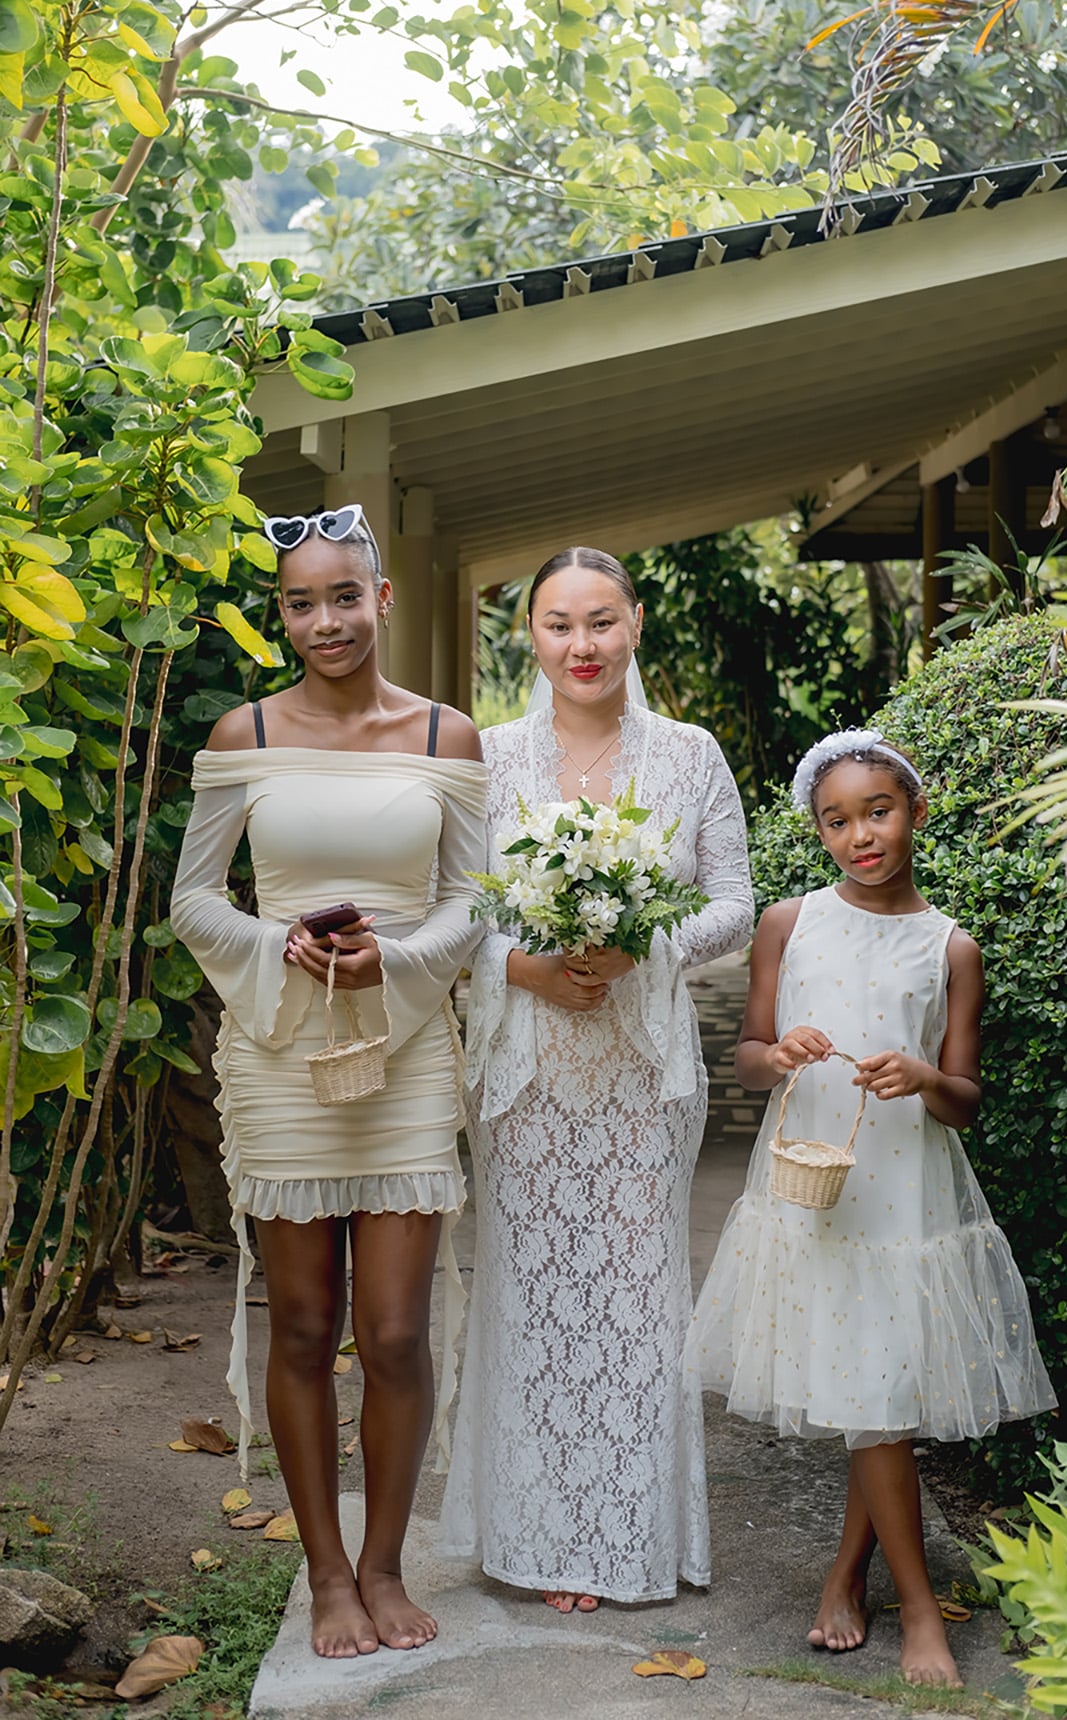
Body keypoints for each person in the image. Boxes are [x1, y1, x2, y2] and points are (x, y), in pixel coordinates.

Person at [170, 504, 487, 1660]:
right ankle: (325, 1577)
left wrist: (390, 959)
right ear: (283, 614)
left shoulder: (447, 736)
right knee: (304, 1323)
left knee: (395, 1333)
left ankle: (385, 1564)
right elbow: (194, 897)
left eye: (344, 596)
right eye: (300, 603)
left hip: (406, 1051)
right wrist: (280, 944)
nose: (325, 622)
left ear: (381, 599)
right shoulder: (243, 731)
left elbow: (472, 899)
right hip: (282, 1051)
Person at [686, 729, 1055, 1687]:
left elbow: (964, 1101)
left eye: (878, 813)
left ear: (916, 813)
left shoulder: (950, 946)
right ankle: (898, 1597)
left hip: (907, 1197)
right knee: (874, 1398)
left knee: (877, 1396)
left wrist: (925, 1074)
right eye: (837, 821)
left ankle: (870, 1585)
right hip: (814, 1187)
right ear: (819, 832)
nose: (860, 836)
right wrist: (781, 1053)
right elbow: (749, 1057)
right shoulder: (788, 922)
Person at [439, 546, 753, 1610]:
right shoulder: (486, 757)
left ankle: (622, 1534)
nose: (583, 645)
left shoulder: (691, 755)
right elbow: (453, 909)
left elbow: (734, 903)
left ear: (636, 625)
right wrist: (522, 966)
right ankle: (539, 1535)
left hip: (641, 1072)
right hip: (526, 1077)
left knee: (633, 1296)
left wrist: (642, 944)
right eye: (560, 624)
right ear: (529, 634)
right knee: (533, 1294)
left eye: (602, 621)